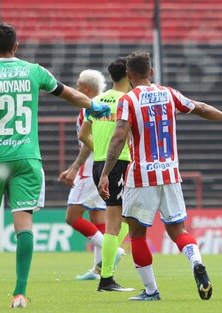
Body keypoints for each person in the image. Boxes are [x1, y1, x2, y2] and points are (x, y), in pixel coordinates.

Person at [0, 22, 110, 309]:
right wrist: (92, 106)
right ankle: (19, 294)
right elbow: (68, 93)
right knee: (24, 224)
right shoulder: (34, 71)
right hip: (28, 159)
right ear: (16, 46)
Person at [98, 51, 222, 301]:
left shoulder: (128, 100)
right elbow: (201, 108)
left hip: (142, 176)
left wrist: (106, 173)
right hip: (171, 173)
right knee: (178, 229)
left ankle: (151, 291)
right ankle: (196, 262)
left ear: (129, 75)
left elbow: (119, 137)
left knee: (137, 234)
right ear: (151, 72)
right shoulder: (169, 94)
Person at [58, 69, 124, 280]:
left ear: (85, 88)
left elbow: (88, 141)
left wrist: (75, 168)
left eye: (78, 86)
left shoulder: (91, 107)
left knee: (72, 216)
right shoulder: (106, 104)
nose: (76, 89)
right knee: (98, 217)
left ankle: (115, 251)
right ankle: (98, 269)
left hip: (91, 170)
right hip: (103, 167)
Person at [88, 57, 133, 292]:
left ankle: (106, 262)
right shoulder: (127, 101)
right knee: (115, 224)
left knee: (126, 219)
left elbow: (83, 134)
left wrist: (100, 149)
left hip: (99, 164)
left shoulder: (95, 101)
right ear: (129, 74)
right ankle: (106, 276)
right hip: (119, 163)